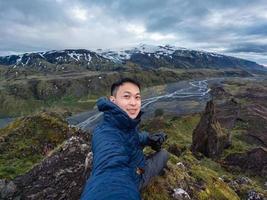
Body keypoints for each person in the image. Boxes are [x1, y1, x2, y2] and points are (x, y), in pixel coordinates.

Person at [81, 78, 169, 200]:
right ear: (113, 100)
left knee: (164, 153)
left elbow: (134, 137)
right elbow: (110, 171)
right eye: (127, 96)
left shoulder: (124, 124)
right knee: (164, 154)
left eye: (137, 97)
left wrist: (149, 139)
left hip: (138, 167)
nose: (133, 103)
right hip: (133, 179)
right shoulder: (105, 134)